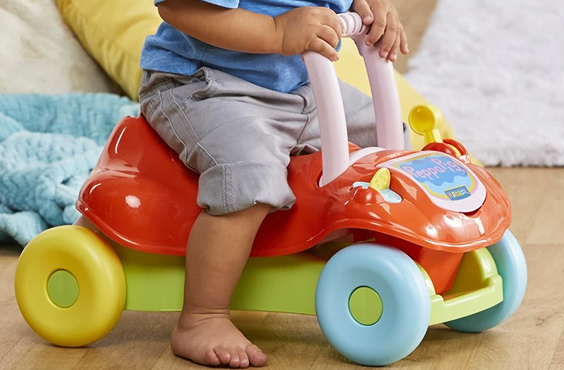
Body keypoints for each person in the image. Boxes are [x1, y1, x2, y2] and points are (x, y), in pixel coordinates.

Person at [139, 0, 408, 367]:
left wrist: (370, 5)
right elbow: (179, 7)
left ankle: (364, 241)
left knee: (390, 144)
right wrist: (276, 32)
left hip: (301, 84)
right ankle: (202, 317)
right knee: (249, 172)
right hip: (208, 85)